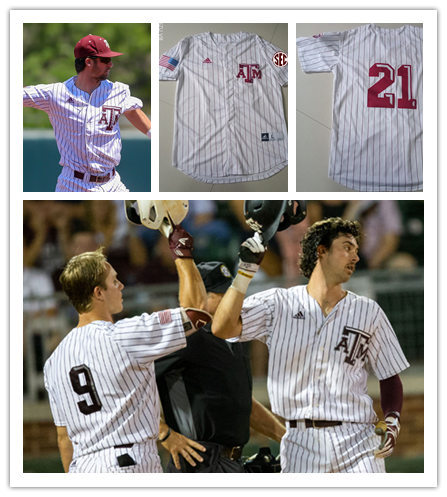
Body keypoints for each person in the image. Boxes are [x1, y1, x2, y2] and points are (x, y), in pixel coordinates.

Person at [212, 216, 409, 473]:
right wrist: (245, 272)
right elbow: (221, 327)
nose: (356, 257)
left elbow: (389, 374)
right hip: (299, 441)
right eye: (347, 247)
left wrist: (393, 418)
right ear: (322, 251)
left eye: (357, 250)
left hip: (358, 440)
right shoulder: (279, 303)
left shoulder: (368, 310)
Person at [43, 224, 211, 473]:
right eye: (114, 281)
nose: (121, 285)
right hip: (128, 462)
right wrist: (182, 252)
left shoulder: (53, 361)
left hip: (83, 469)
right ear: (98, 293)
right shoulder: (125, 334)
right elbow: (198, 312)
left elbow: (63, 438)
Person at [155, 261, 286, 473]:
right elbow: (132, 384)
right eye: (221, 294)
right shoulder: (184, 337)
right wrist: (164, 433)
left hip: (230, 461)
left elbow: (244, 404)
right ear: (200, 296)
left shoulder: (233, 339)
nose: (231, 300)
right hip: (198, 461)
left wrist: (286, 437)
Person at [23, 34, 151, 192]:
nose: (110, 64)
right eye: (105, 60)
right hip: (72, 184)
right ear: (88, 62)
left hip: (112, 184)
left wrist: (152, 133)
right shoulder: (55, 94)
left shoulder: (118, 90)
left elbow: (132, 110)